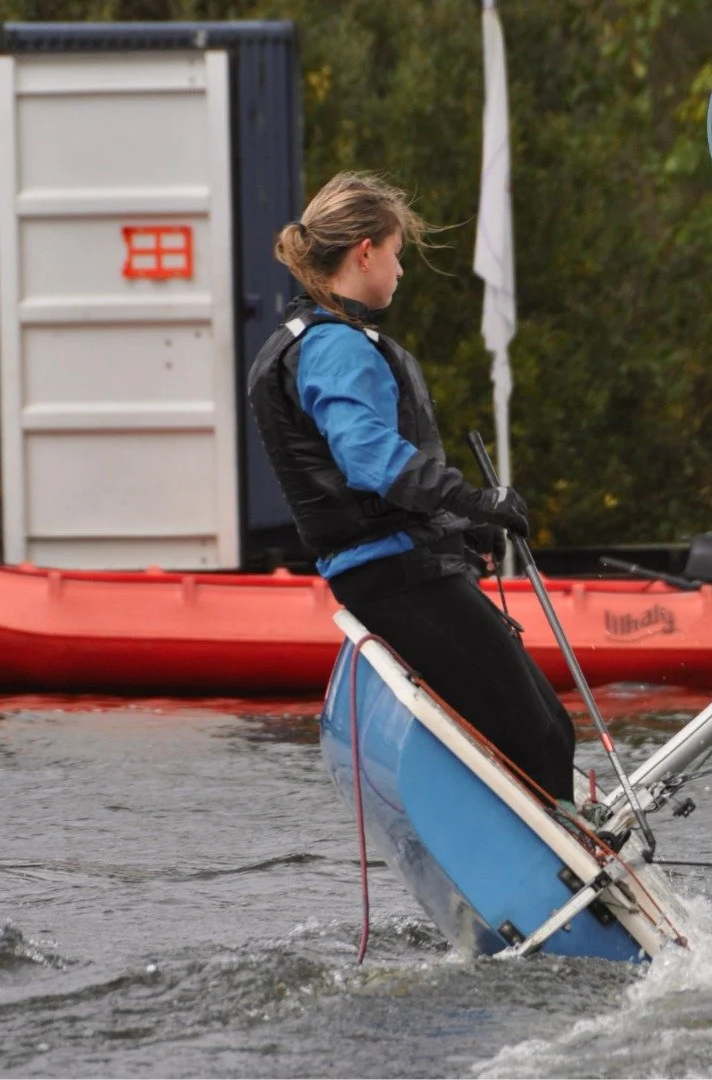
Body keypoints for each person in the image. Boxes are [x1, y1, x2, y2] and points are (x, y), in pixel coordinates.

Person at [248, 172, 575, 803]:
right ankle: (571, 886)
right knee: (538, 735)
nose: (400, 270)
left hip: (400, 568)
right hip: (397, 579)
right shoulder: (335, 347)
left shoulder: (314, 340)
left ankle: (555, 851)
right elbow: (373, 461)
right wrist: (478, 502)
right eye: (397, 253)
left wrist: (463, 528)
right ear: (365, 251)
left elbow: (373, 480)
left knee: (546, 727)